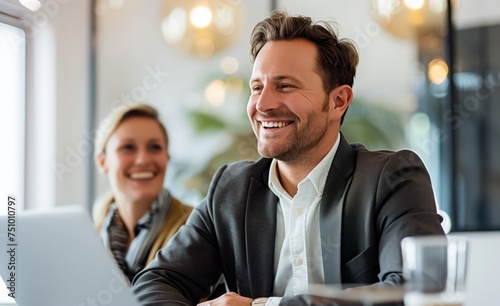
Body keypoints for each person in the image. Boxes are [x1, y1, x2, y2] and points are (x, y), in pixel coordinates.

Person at [132, 11, 445, 305]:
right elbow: (156, 282)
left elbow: (415, 289)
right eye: (257, 87)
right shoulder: (230, 190)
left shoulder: (394, 178)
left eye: (284, 86)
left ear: (338, 101)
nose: (263, 104)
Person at [93, 103, 193, 283]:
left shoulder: (196, 226)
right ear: (102, 162)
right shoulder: (92, 233)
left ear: (167, 158)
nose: (143, 160)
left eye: (154, 147)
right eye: (128, 148)